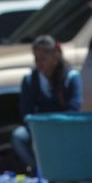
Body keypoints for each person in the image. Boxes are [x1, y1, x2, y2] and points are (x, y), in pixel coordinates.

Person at [12, 35, 82, 173]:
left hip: (64, 128)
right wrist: (38, 127)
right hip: (39, 129)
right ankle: (40, 170)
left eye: (43, 59)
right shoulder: (30, 80)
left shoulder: (70, 77)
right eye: (36, 59)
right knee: (18, 136)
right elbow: (26, 111)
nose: (39, 63)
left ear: (55, 57)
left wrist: (55, 125)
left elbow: (74, 109)